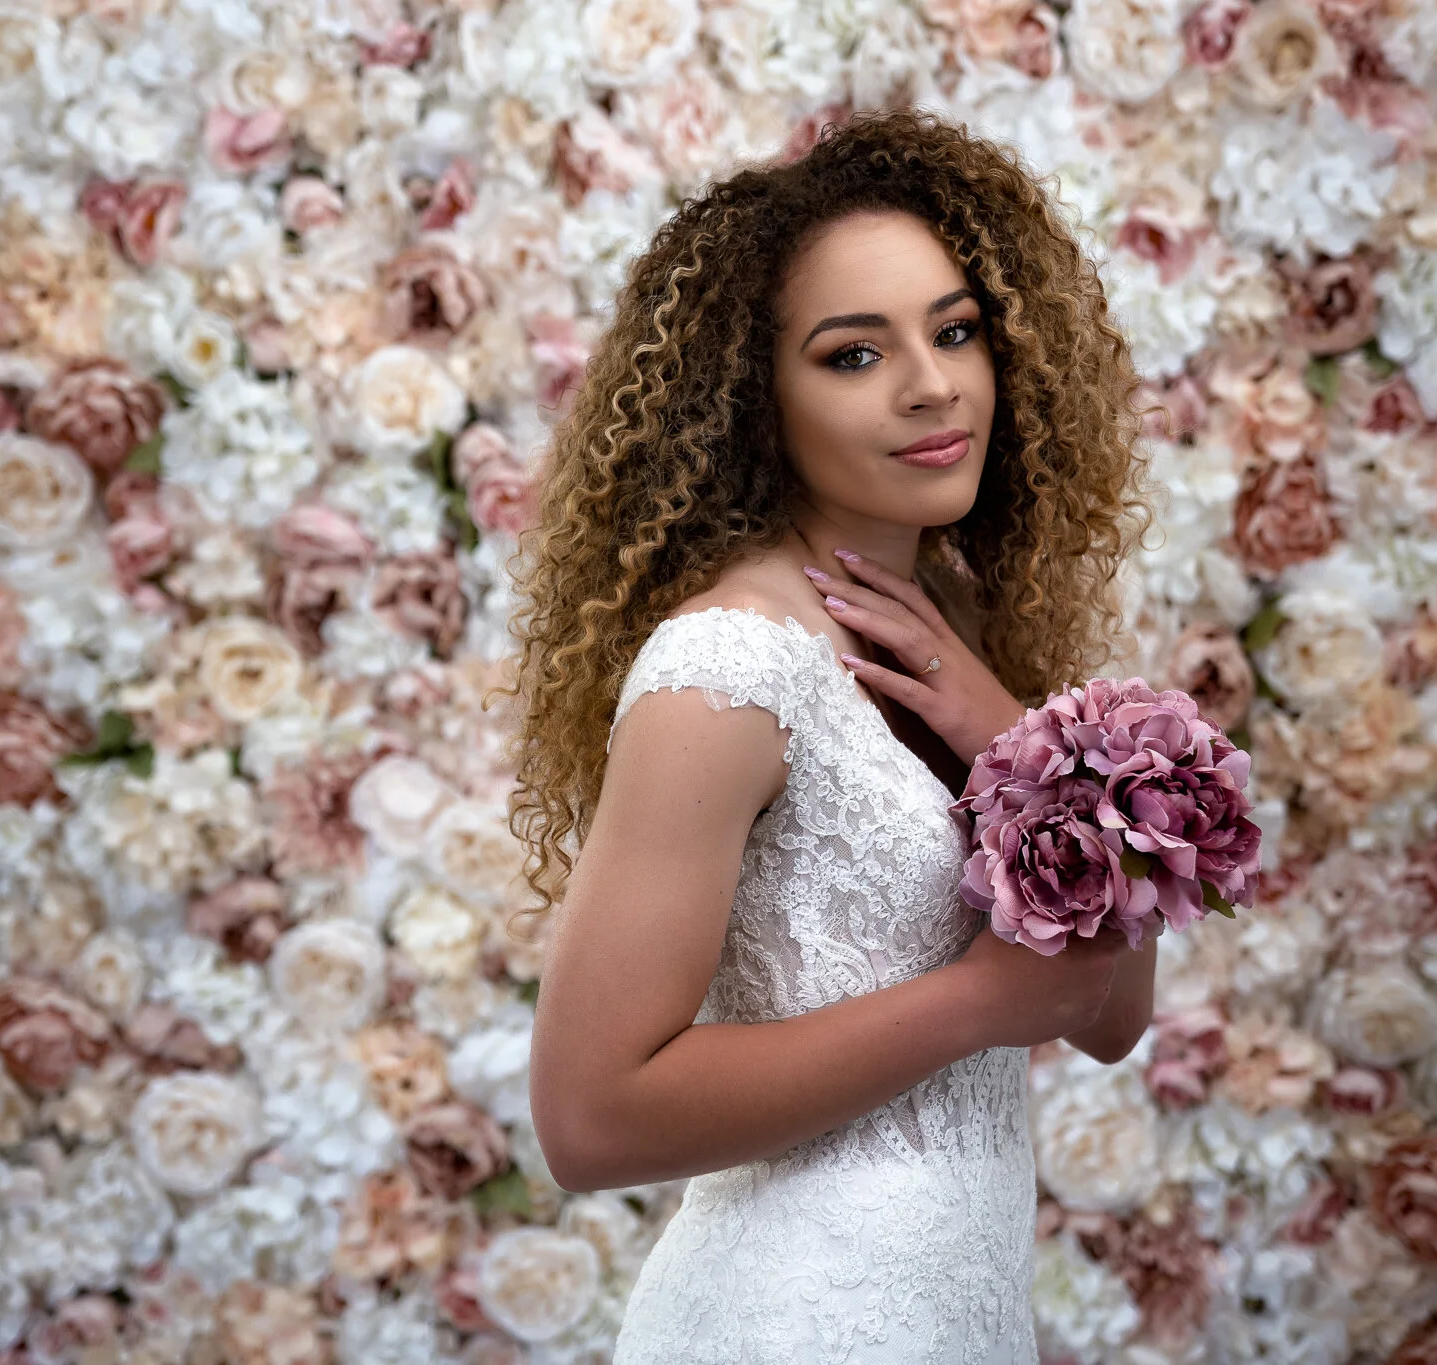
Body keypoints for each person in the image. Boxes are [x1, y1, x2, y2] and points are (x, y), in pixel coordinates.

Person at [492, 105, 1161, 1364]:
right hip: (788, 1324)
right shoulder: (727, 671)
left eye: (954, 330)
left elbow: (1108, 1014)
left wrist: (1023, 745)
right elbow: (587, 1122)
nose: (931, 384)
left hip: (957, 1323)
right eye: (852, 355)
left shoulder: (959, 638)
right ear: (754, 400)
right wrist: (969, 1003)